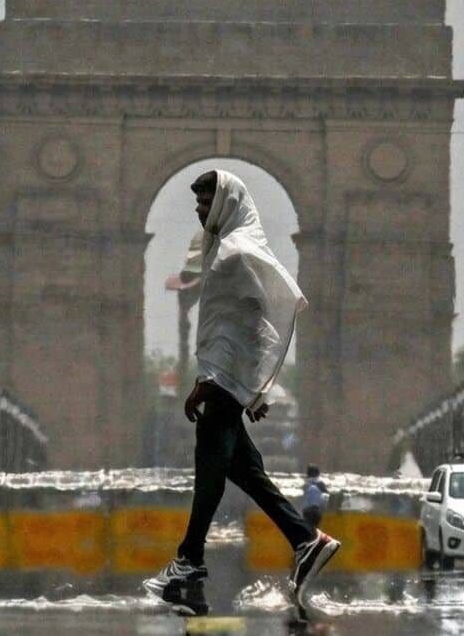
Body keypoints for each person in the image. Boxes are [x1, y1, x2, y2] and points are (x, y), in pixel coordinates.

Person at [144, 170, 340, 606]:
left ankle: (190, 557)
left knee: (210, 467)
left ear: (225, 205)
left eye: (205, 204)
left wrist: (217, 384)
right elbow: (246, 323)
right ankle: (305, 540)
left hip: (222, 384)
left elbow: (249, 320)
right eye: (197, 204)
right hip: (229, 382)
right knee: (244, 471)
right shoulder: (235, 247)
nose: (198, 212)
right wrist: (253, 387)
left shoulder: (233, 253)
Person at [301, 464, 328, 529]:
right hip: (315, 511)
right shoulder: (320, 484)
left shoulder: (306, 484)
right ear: (317, 473)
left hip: (306, 511)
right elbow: (325, 497)